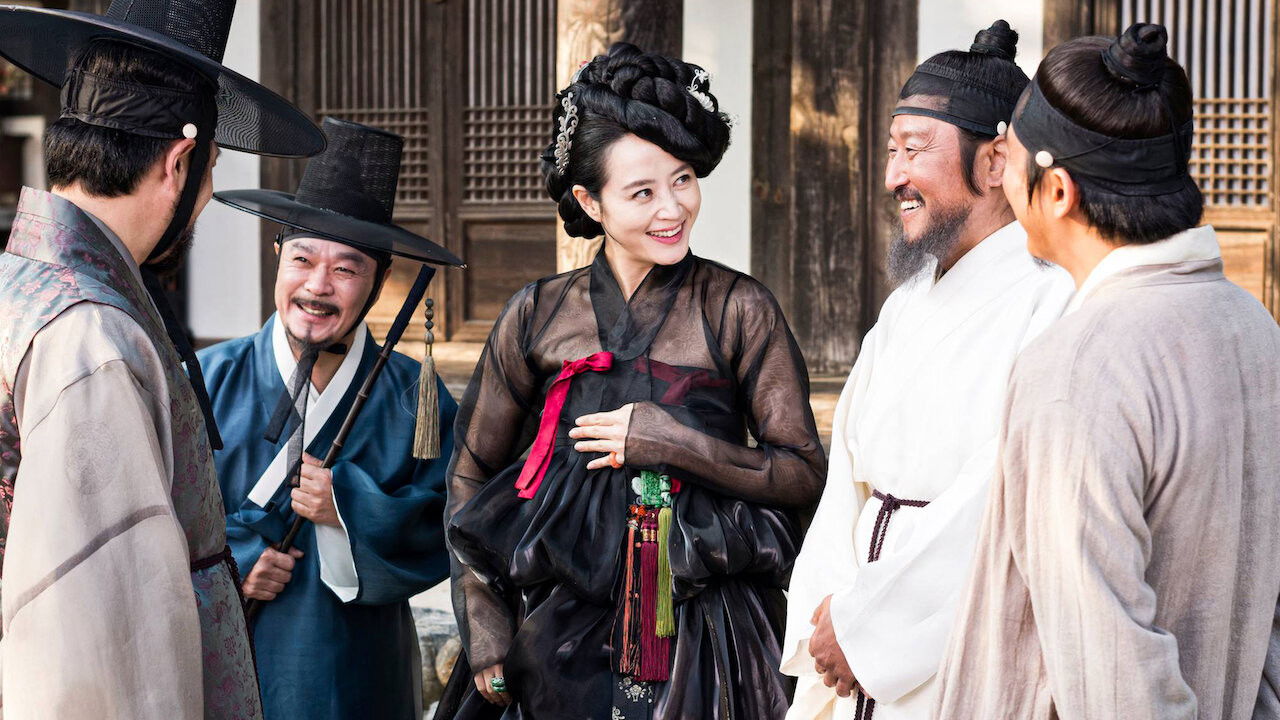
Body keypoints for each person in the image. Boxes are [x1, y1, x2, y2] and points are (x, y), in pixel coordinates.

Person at [440, 42, 826, 719]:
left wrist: (674, 443)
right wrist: (483, 618)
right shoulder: (537, 314)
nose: (672, 208)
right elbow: (471, 472)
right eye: (642, 192)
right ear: (589, 201)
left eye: (683, 180)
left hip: (710, 631)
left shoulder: (739, 307)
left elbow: (801, 471)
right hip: (554, 622)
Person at [934, 24, 1280, 720]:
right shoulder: (1255, 328)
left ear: (1058, 190)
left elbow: (1114, 682)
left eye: (1012, 160)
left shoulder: (1077, 369)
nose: (1003, 180)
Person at [0, 1, 322, 717]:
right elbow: (99, 641)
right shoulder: (90, 335)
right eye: (210, 173)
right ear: (180, 163)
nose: (205, 200)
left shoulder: (20, 285)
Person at [780, 21, 1073, 720]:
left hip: (952, 643)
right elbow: (846, 483)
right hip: (851, 619)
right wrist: (830, 611)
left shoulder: (1051, 300)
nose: (893, 177)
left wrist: (869, 630)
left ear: (995, 161)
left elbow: (997, 496)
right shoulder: (905, 305)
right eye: (891, 151)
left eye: (914, 150)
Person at [199, 117, 463, 720]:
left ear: (380, 281)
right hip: (232, 658)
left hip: (360, 666)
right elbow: (156, 515)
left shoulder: (415, 398)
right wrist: (231, 562)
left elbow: (451, 523)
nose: (318, 286)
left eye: (346, 268)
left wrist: (345, 505)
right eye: (302, 259)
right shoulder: (206, 379)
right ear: (277, 256)